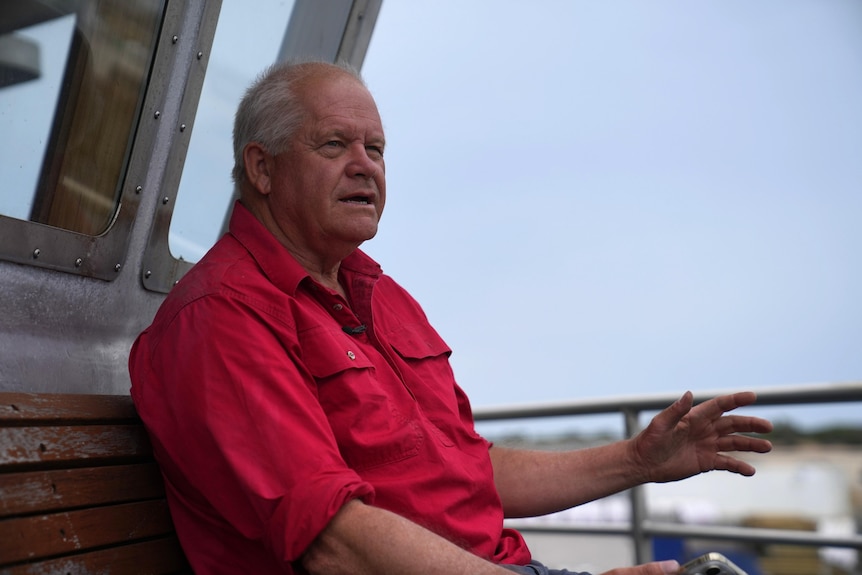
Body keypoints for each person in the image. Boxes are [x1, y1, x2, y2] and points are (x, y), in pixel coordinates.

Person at [128, 60, 774, 575]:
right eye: (334, 144)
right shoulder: (222, 317)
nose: (365, 165)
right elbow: (335, 544)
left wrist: (636, 459)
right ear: (262, 168)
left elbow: (467, 469)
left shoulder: (379, 295)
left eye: (376, 148)